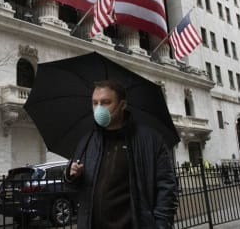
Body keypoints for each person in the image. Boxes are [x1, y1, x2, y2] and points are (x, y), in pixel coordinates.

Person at [64, 80, 178, 229]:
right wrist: (71, 176)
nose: (99, 108)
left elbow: (167, 188)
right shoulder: (87, 141)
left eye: (105, 102)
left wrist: (161, 225)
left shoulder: (151, 140)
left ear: (122, 105)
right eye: (94, 103)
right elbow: (73, 189)